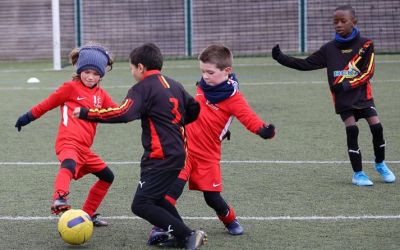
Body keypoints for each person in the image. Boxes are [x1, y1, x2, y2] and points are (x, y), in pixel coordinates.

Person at [73, 43, 206, 249]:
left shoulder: (142, 88)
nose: (132, 72)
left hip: (160, 156)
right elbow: (194, 108)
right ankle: (182, 237)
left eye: (132, 68)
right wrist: (175, 123)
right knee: (158, 198)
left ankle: (188, 234)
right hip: (179, 152)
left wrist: (87, 113)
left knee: (141, 204)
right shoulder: (174, 84)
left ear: (141, 67)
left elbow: (123, 113)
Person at [147, 44, 276, 246]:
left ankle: (230, 219)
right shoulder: (202, 86)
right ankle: (160, 227)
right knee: (171, 189)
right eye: (203, 71)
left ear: (227, 71)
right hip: (185, 150)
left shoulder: (234, 99)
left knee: (212, 198)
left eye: (210, 72)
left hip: (208, 155)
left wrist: (263, 129)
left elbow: (248, 117)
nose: (205, 76)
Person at [271, 5, 395, 186]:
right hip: (343, 100)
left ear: (354, 22)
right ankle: (358, 174)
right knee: (352, 129)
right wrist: (281, 58)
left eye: (343, 21)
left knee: (377, 127)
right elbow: (305, 64)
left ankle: (380, 164)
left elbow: (368, 72)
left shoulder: (366, 44)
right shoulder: (329, 49)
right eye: (335, 21)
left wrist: (347, 84)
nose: (338, 25)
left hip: (362, 96)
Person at [15, 43, 118, 226]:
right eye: (87, 72)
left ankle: (87, 215)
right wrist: (26, 117)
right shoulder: (69, 88)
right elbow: (46, 104)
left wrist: (140, 109)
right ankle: (59, 198)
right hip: (67, 142)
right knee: (68, 164)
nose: (90, 77)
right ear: (79, 70)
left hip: (85, 150)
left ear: (101, 75)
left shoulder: (101, 95)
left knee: (108, 176)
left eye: (95, 74)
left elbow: (118, 112)